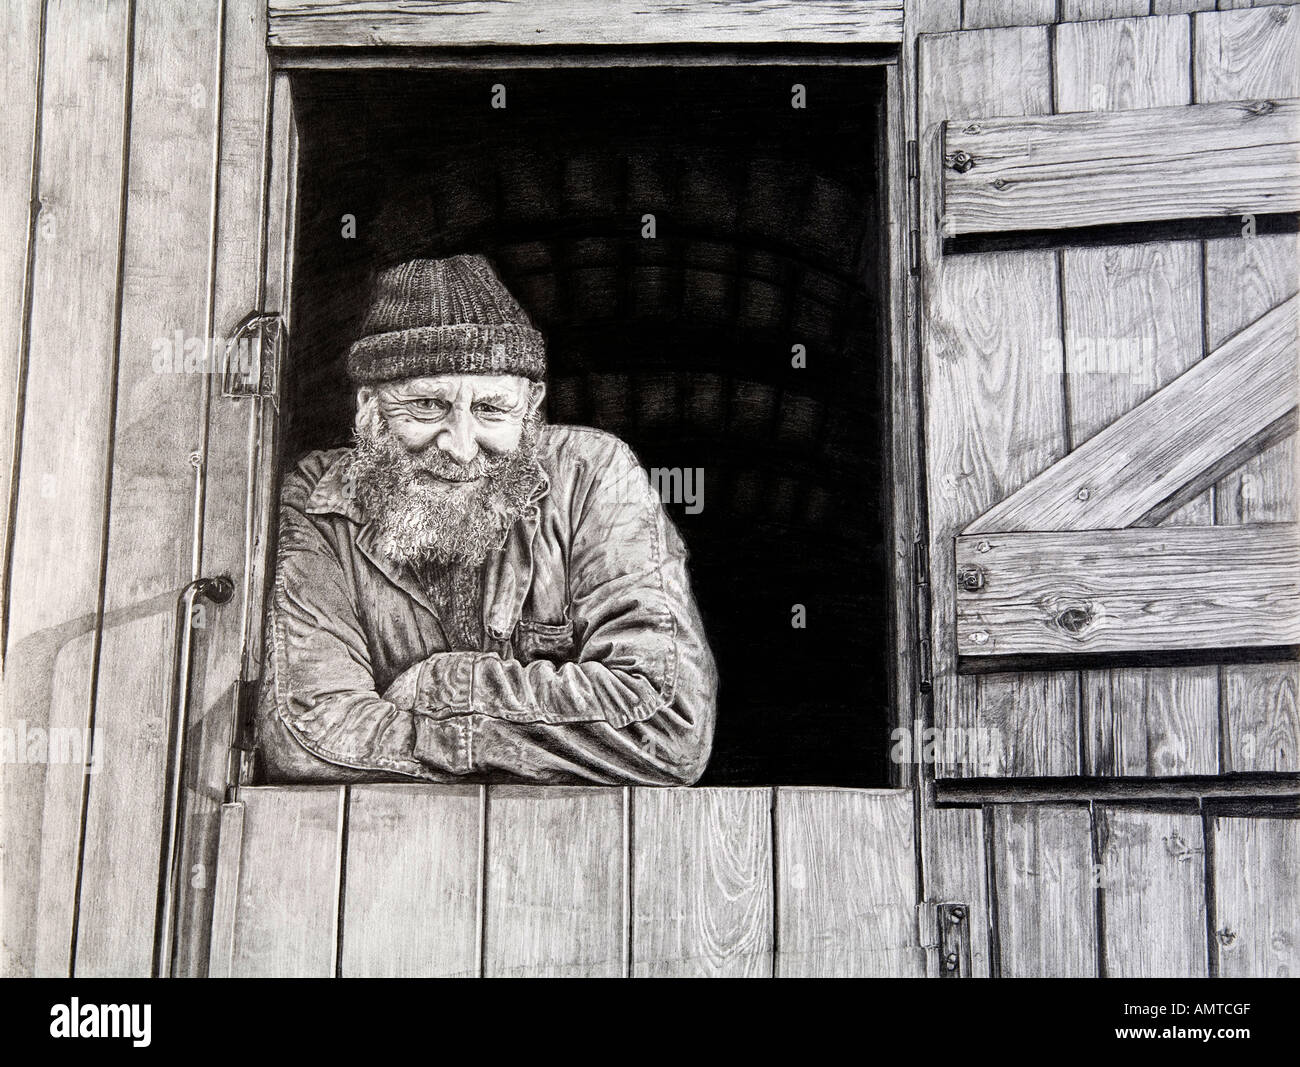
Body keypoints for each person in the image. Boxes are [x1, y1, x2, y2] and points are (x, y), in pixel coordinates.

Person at [256, 253, 717, 785]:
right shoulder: (319, 499)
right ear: (369, 406)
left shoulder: (595, 475)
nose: (460, 446)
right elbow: (308, 735)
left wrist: (440, 686)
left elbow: (666, 720)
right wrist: (539, 738)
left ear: (531, 406)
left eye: (492, 410)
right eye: (427, 406)